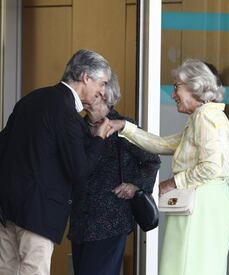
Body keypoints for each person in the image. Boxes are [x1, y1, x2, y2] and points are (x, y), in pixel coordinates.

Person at [0, 49, 112, 275]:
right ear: (86, 77)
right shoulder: (67, 113)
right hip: (38, 214)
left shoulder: (32, 98)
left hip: (7, 207)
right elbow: (79, 171)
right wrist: (99, 138)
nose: (103, 91)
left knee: (4, 271)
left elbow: (0, 147)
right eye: (102, 83)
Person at [108, 59, 229, 275]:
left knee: (186, 267)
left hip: (200, 202)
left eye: (176, 87)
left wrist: (172, 183)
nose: (173, 94)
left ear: (195, 85)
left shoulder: (204, 117)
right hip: (208, 200)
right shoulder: (205, 116)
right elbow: (162, 144)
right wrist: (125, 127)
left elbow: (212, 166)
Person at [68, 74, 161, 275]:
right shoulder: (77, 127)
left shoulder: (123, 126)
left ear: (103, 94)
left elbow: (152, 160)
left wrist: (135, 185)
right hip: (80, 221)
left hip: (111, 220)